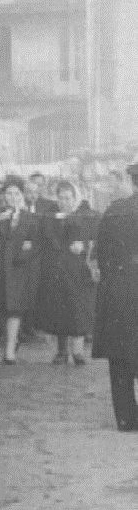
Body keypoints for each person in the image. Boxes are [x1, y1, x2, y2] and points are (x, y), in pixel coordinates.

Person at [31, 180, 98, 367]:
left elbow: (95, 239)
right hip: (57, 270)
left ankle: (77, 350)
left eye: (68, 198)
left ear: (75, 197)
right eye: (60, 198)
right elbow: (44, 238)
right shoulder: (51, 216)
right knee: (59, 309)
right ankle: (61, 351)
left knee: (78, 309)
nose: (64, 202)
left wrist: (84, 246)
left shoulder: (86, 215)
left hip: (78, 270)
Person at [94, 163, 138, 430]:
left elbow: (102, 255)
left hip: (120, 292)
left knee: (121, 356)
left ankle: (125, 417)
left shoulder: (113, 211)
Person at [0, 177, 41, 364]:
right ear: (3, 196)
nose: (12, 197)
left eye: (16, 193)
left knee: (14, 309)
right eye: (8, 193)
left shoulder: (30, 218)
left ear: (22, 195)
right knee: (2, 307)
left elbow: (36, 243)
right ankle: (12, 341)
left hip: (20, 270)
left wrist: (27, 249)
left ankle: (9, 349)